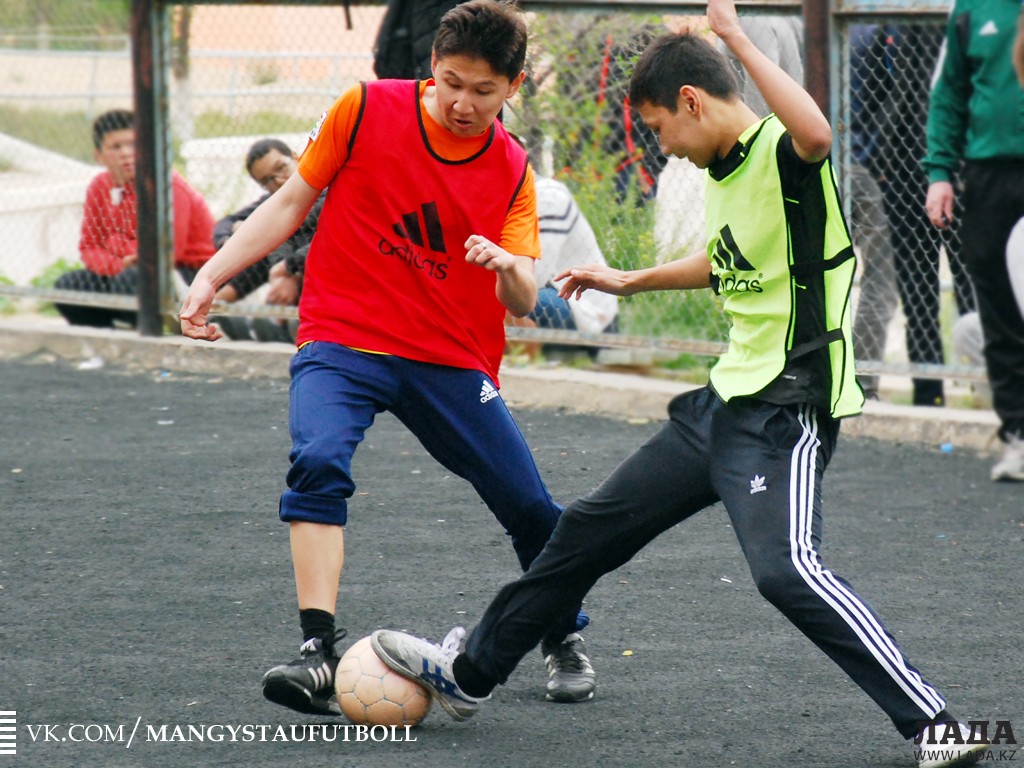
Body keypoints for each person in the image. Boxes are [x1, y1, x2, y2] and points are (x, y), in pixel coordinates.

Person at [372, 6, 988, 766]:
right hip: (723, 404)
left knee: (787, 571)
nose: (662, 146)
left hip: (785, 409)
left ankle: (938, 724)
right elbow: (728, 257)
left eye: (661, 128)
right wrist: (632, 280)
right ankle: (469, 677)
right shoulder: (723, 167)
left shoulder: (783, 154)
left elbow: (818, 134)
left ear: (693, 102)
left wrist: (730, 38)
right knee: (586, 530)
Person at [178, 0, 594, 717]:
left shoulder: (513, 167)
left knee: (529, 503)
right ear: (432, 64)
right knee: (317, 459)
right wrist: (214, 275)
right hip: (343, 335)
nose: (463, 102)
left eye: (484, 91)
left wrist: (505, 265)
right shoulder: (365, 109)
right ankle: (316, 651)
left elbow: (524, 297)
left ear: (514, 88)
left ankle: (560, 630)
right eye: (452, 81)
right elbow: (289, 206)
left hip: (450, 355)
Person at [923, 0, 1024, 481]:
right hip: (989, 177)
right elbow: (948, 93)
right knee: (999, 311)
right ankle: (1019, 435)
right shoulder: (972, 9)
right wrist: (940, 172)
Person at [871, 24, 976, 408]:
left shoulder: (962, 16)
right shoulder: (895, 22)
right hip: (905, 171)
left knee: (971, 286)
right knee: (919, 293)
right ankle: (929, 393)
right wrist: (880, 155)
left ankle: (983, 385)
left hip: (954, 169)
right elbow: (882, 90)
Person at [54, 109, 215, 328]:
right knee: (69, 285)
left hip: (188, 275)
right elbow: (89, 247)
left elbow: (165, 252)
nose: (126, 153)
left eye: (133, 144)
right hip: (125, 269)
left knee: (132, 280)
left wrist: (114, 243)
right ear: (99, 156)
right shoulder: (99, 186)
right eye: (116, 147)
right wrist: (119, 262)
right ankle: (106, 347)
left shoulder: (167, 186)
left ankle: (149, 343)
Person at [212, 138, 325, 342]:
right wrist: (228, 242)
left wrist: (289, 269)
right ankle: (216, 305)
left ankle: (287, 325)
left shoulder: (327, 186)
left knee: (271, 236)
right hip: (288, 271)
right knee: (261, 242)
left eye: (281, 168)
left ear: (296, 157)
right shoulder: (275, 201)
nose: (279, 181)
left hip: (321, 269)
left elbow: (330, 238)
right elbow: (227, 222)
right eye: (267, 181)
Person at [506, 174, 618, 358]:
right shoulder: (492, 193)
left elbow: (535, 279)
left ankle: (548, 357)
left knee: (504, 298)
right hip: (545, 292)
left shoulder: (547, 195)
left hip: (580, 307)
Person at [848, 24, 900, 400]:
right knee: (881, 278)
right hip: (868, 165)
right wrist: (876, 158)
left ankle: (827, 375)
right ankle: (862, 381)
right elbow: (895, 97)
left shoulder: (825, 25)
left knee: (817, 271)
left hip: (828, 155)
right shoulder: (883, 27)